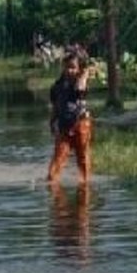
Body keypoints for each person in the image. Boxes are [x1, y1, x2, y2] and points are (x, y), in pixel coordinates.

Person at [46, 51, 94, 185]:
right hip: (64, 127)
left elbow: (80, 88)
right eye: (66, 67)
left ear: (79, 69)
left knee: (83, 157)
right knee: (58, 159)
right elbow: (55, 106)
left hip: (81, 124)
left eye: (73, 67)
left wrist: (84, 74)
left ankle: (85, 184)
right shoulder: (57, 86)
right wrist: (51, 122)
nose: (69, 70)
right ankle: (53, 185)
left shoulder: (80, 83)